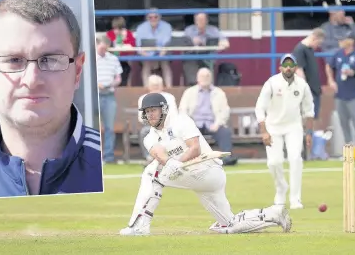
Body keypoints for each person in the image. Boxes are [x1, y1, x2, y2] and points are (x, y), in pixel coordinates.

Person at [0, 0, 103, 199]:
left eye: (50, 59)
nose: (31, 80)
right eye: (13, 60)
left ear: (77, 71)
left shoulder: (104, 164)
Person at [120, 93, 292, 235]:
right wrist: (171, 165)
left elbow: (194, 148)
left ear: (163, 109)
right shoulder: (149, 137)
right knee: (229, 224)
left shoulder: (181, 120)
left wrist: (177, 164)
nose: (150, 114)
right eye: (147, 111)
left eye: (153, 110)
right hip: (193, 179)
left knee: (151, 174)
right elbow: (160, 155)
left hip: (207, 170)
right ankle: (274, 213)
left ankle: (139, 226)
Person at [255, 54, 315, 209]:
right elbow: (260, 108)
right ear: (280, 67)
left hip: (293, 126)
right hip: (273, 126)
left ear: (295, 67)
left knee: (295, 159)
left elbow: (309, 111)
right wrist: (264, 131)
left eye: (291, 64)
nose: (288, 67)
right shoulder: (272, 83)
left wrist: (309, 133)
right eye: (285, 64)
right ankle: (281, 188)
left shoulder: (302, 85)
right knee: (274, 162)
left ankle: (295, 199)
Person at [325, 38, 355, 157]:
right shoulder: (338, 54)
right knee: (343, 122)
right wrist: (331, 80)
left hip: (353, 95)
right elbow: (329, 66)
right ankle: (348, 151)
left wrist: (353, 73)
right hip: (340, 95)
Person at [137, 75, 178, 163]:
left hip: (169, 125)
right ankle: (149, 157)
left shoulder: (169, 97)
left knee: (173, 131)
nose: (155, 87)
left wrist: (164, 123)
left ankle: (173, 155)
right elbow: (141, 118)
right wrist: (154, 123)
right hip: (151, 126)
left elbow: (174, 114)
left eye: (157, 85)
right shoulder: (143, 98)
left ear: (162, 86)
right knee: (144, 132)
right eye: (153, 85)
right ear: (148, 86)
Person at [96, 34, 123, 164]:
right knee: (94, 128)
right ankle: (95, 157)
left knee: (109, 128)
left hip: (109, 95)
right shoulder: (90, 59)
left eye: (106, 47)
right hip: (95, 95)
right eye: (102, 47)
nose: (104, 49)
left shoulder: (113, 59)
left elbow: (118, 78)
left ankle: (109, 156)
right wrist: (97, 85)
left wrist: (112, 84)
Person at [292, 28, 325, 119]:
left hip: (314, 89)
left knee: (311, 118)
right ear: (314, 38)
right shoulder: (300, 50)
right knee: (307, 119)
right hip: (309, 91)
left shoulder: (309, 49)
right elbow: (299, 70)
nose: (318, 46)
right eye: (318, 43)